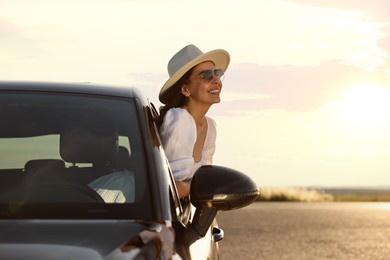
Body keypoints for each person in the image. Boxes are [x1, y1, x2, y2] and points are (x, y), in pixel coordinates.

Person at [157, 44, 230, 198]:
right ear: (185, 90)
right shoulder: (179, 119)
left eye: (217, 73)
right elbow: (171, 189)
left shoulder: (210, 126)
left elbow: (203, 180)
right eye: (206, 75)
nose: (216, 80)